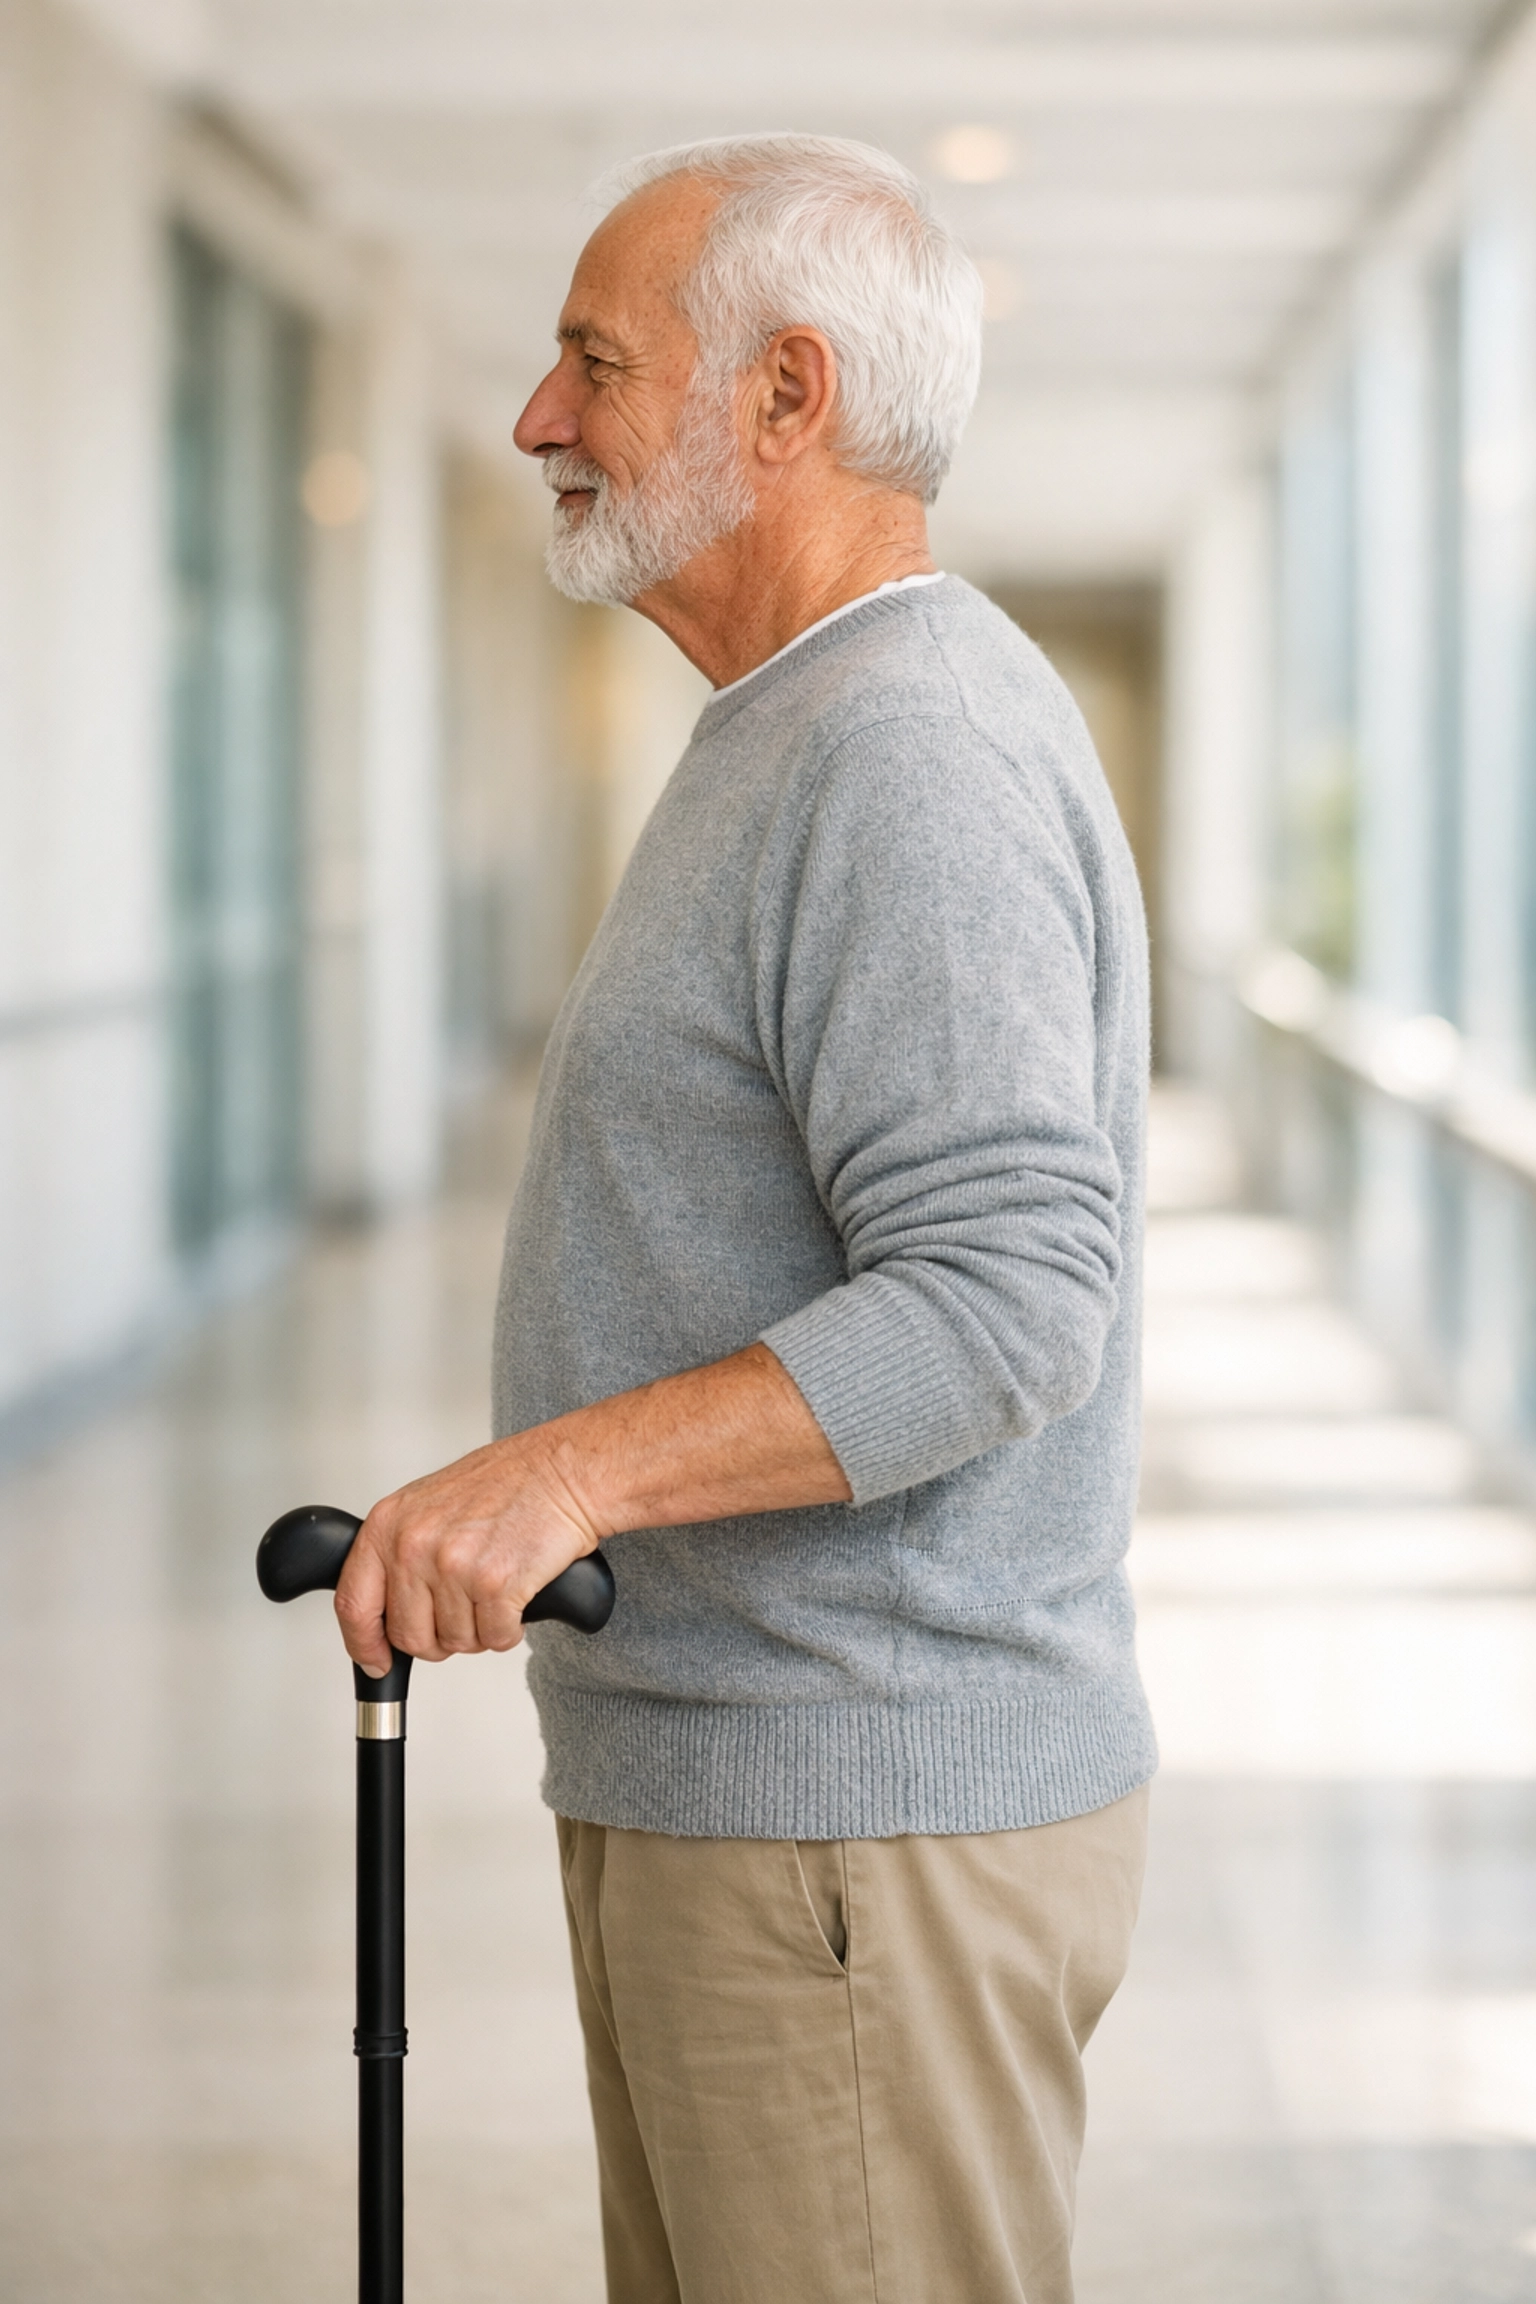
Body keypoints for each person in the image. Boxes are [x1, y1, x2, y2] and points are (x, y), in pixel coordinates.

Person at [336, 133, 1155, 2304]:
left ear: (786, 398)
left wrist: (569, 1473)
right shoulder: (790, 726)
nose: (536, 419)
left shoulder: (906, 748)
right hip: (761, 1808)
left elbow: (1005, 1300)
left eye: (592, 363)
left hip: (852, 1831)